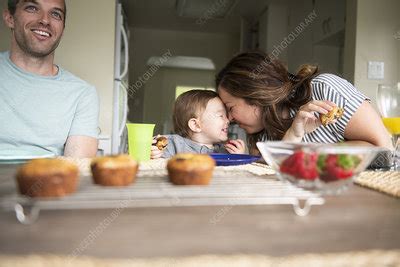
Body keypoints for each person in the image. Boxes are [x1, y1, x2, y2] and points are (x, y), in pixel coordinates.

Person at [216, 51, 393, 154]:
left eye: (231, 108)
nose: (229, 118)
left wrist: (302, 152)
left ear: (256, 96)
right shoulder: (261, 135)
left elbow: (384, 148)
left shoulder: (324, 90)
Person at [0, 0, 99, 158]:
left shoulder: (83, 94)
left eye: (55, 14)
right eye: (32, 8)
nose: (45, 20)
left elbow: (77, 168)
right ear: (10, 18)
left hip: (48, 180)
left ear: (62, 29)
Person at [151, 90, 246, 159]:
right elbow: (152, 146)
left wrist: (239, 156)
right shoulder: (174, 144)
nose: (228, 120)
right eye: (221, 115)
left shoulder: (225, 151)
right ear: (195, 125)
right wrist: (153, 150)